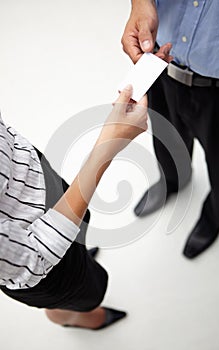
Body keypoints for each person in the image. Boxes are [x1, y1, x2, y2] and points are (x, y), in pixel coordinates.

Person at [0, 85, 148, 330]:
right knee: (91, 292)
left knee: (81, 229)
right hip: (46, 266)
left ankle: (79, 258)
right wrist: (107, 145)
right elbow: (35, 259)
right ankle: (67, 316)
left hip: (43, 189)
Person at [121, 0, 219, 258]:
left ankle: (214, 215)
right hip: (163, 61)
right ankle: (172, 181)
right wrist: (140, 3)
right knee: (166, 139)